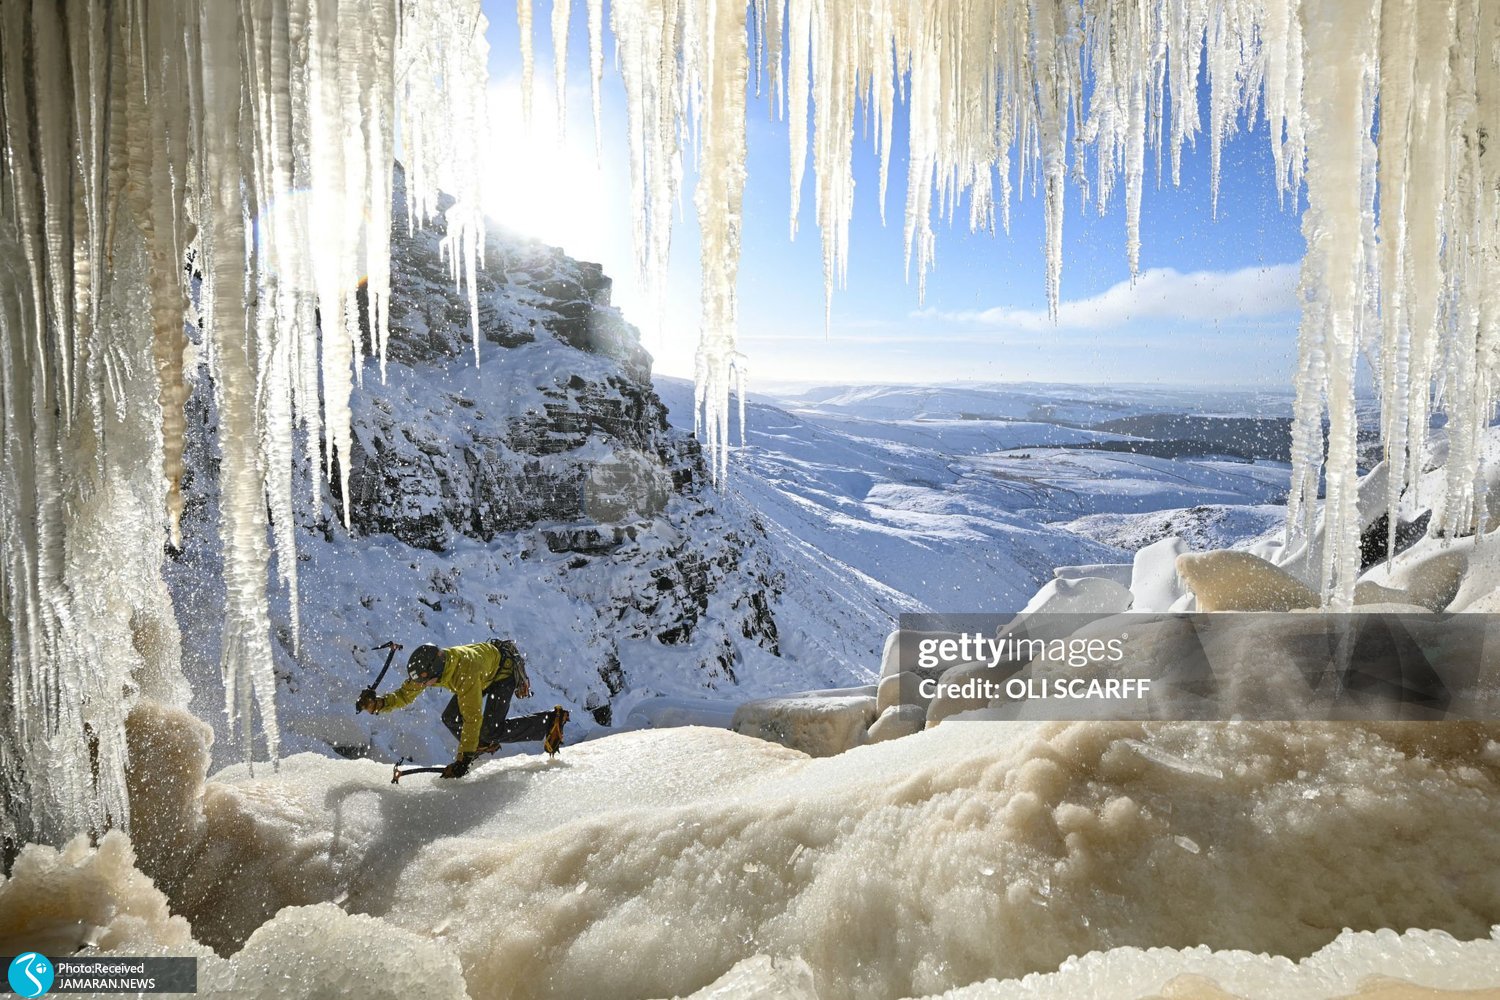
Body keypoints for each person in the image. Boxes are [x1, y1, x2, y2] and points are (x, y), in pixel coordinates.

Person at [356, 639, 568, 778]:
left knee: (490, 729)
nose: (422, 685)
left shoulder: (463, 673)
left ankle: (549, 722)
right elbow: (405, 694)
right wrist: (379, 704)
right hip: (484, 673)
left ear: (434, 674)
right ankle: (480, 744)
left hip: (502, 674)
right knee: (450, 717)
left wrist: (463, 760)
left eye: (425, 681)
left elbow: (472, 718)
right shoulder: (434, 667)